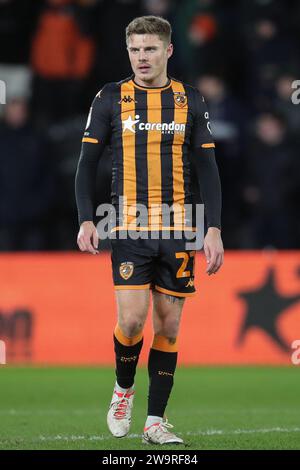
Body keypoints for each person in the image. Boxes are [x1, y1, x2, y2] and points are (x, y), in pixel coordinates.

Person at [75, 15, 224, 445]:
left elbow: (208, 168)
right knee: (134, 319)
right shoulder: (109, 98)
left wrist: (213, 228)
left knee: (170, 327)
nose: (142, 57)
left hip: (179, 227)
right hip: (128, 224)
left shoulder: (190, 101)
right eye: (136, 50)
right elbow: (87, 163)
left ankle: (155, 423)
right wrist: (87, 216)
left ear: (168, 51)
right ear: (128, 52)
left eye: (151, 49)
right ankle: (123, 390)